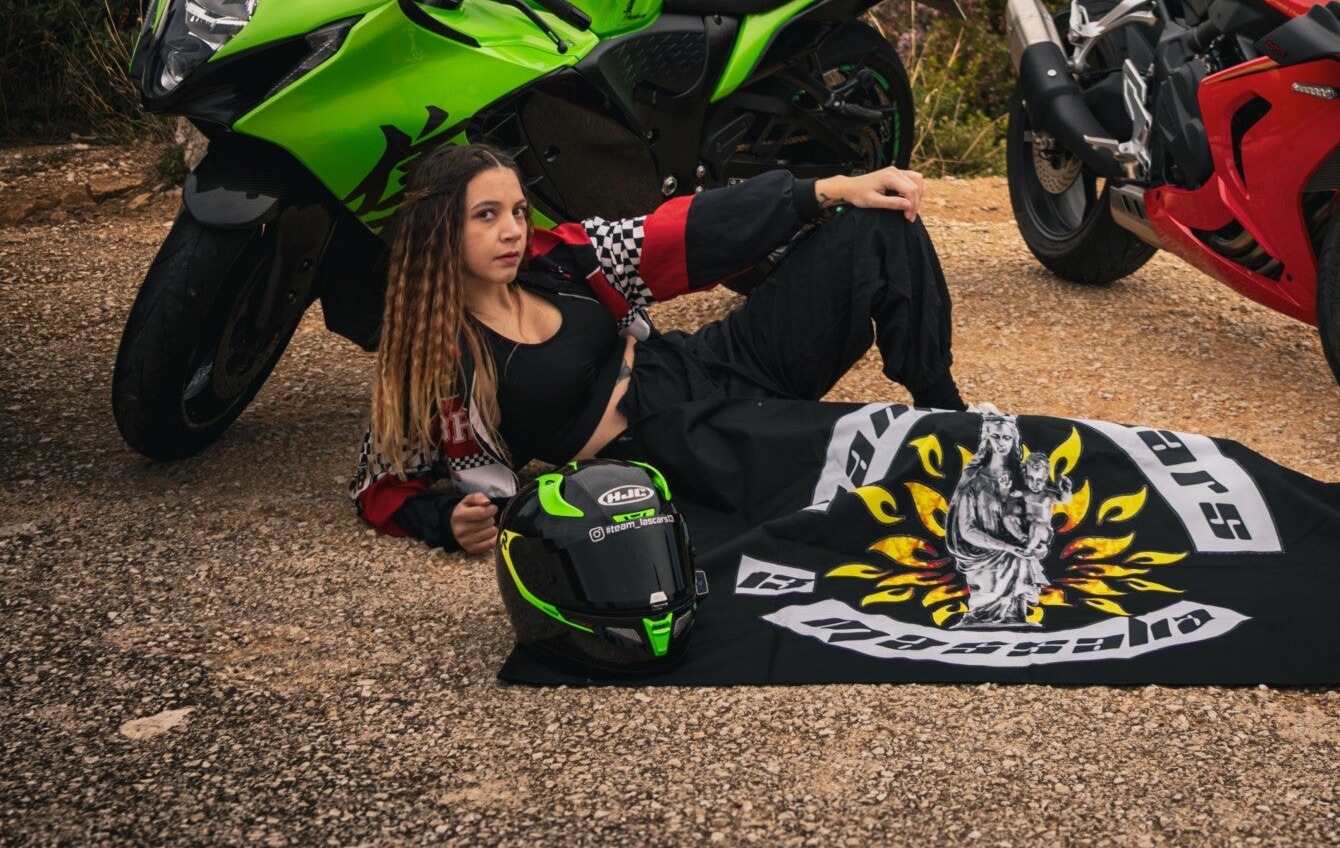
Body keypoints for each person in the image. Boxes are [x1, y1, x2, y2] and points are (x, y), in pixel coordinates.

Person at [352, 141, 963, 553]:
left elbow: (678, 230)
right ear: (440, 229)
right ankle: (960, 445)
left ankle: (950, 410)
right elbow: (379, 483)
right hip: (681, 443)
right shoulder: (436, 358)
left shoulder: (559, 259)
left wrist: (830, 189)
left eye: (517, 210)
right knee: (869, 457)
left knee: (876, 223)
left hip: (716, 359)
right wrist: (446, 521)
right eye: (486, 215)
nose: (512, 230)